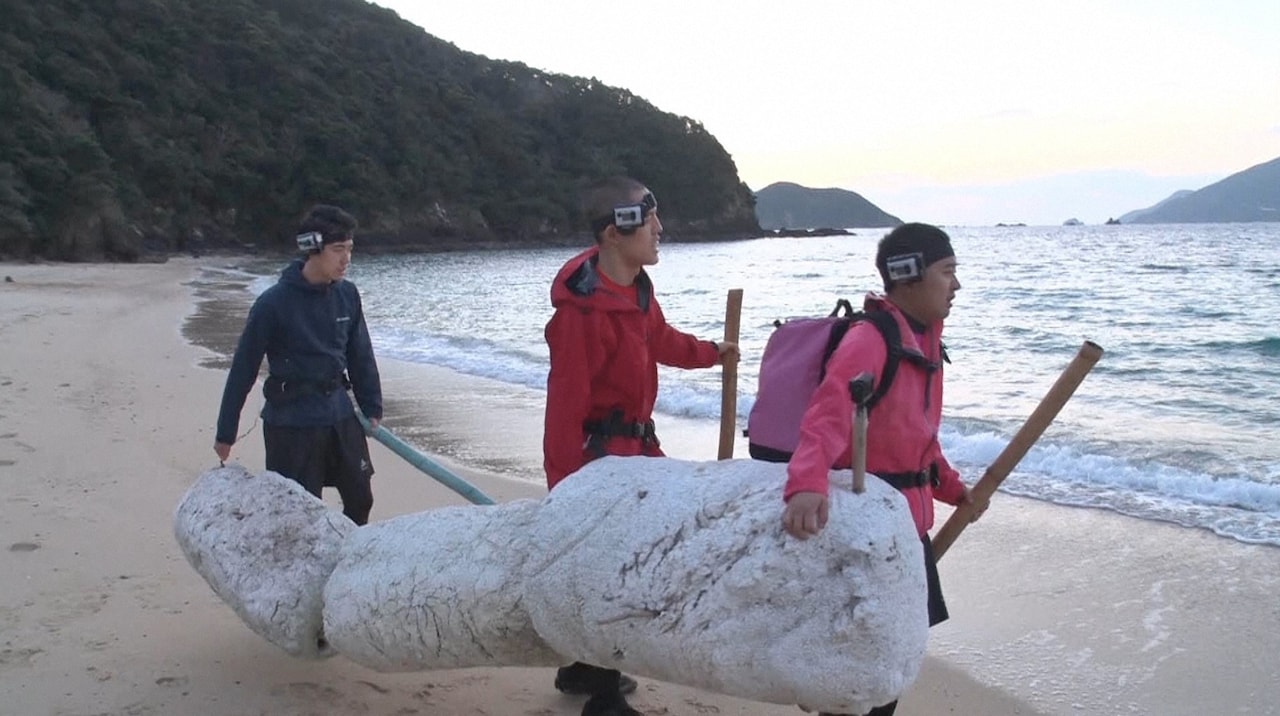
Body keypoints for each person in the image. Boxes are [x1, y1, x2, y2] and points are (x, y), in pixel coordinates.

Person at [542, 176, 738, 716]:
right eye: (649, 222)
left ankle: (582, 666)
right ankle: (602, 698)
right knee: (616, 570)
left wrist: (711, 353)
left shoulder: (636, 289)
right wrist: (564, 489)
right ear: (613, 233)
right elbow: (564, 409)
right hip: (598, 463)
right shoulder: (579, 316)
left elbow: (662, 339)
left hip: (637, 453)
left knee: (634, 556)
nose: (660, 231)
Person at [780, 222, 984, 716]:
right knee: (870, 663)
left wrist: (954, 490)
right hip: (870, 529)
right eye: (947, 272)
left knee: (889, 657)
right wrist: (805, 485)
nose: (956, 285)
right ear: (908, 274)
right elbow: (827, 416)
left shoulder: (925, 340)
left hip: (907, 529)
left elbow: (917, 442)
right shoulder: (872, 339)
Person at [214, 204, 383, 526]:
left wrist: (372, 406)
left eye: (349, 249)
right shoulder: (273, 304)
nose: (346, 259)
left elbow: (360, 353)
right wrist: (226, 433)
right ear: (311, 248)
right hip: (292, 421)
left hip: (339, 412)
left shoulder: (347, 295)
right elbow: (243, 370)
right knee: (299, 515)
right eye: (337, 250)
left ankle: (346, 564)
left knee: (361, 498)